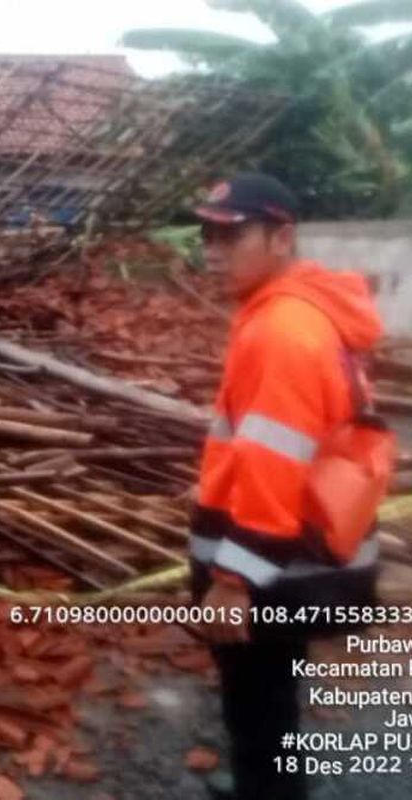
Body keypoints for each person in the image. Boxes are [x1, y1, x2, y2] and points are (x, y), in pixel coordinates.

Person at [190, 173, 389, 800]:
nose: (213, 250)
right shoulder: (302, 311)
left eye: (231, 234)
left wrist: (233, 581)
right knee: (272, 691)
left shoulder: (283, 333)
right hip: (304, 549)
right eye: (206, 234)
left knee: (257, 703)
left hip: (272, 563)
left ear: (282, 237)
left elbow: (274, 466)